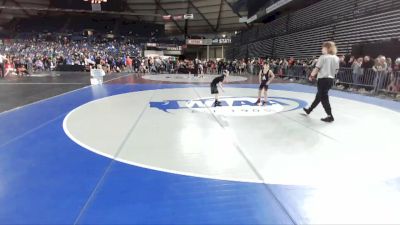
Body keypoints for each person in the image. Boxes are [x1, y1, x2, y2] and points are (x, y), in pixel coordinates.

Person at [303, 41, 339, 123]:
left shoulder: (323, 57)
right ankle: (309, 110)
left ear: (327, 48)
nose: (321, 49)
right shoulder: (336, 58)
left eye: (322, 47)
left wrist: (311, 75)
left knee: (323, 97)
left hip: (322, 80)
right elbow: (336, 71)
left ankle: (330, 116)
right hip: (330, 80)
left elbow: (317, 68)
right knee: (319, 96)